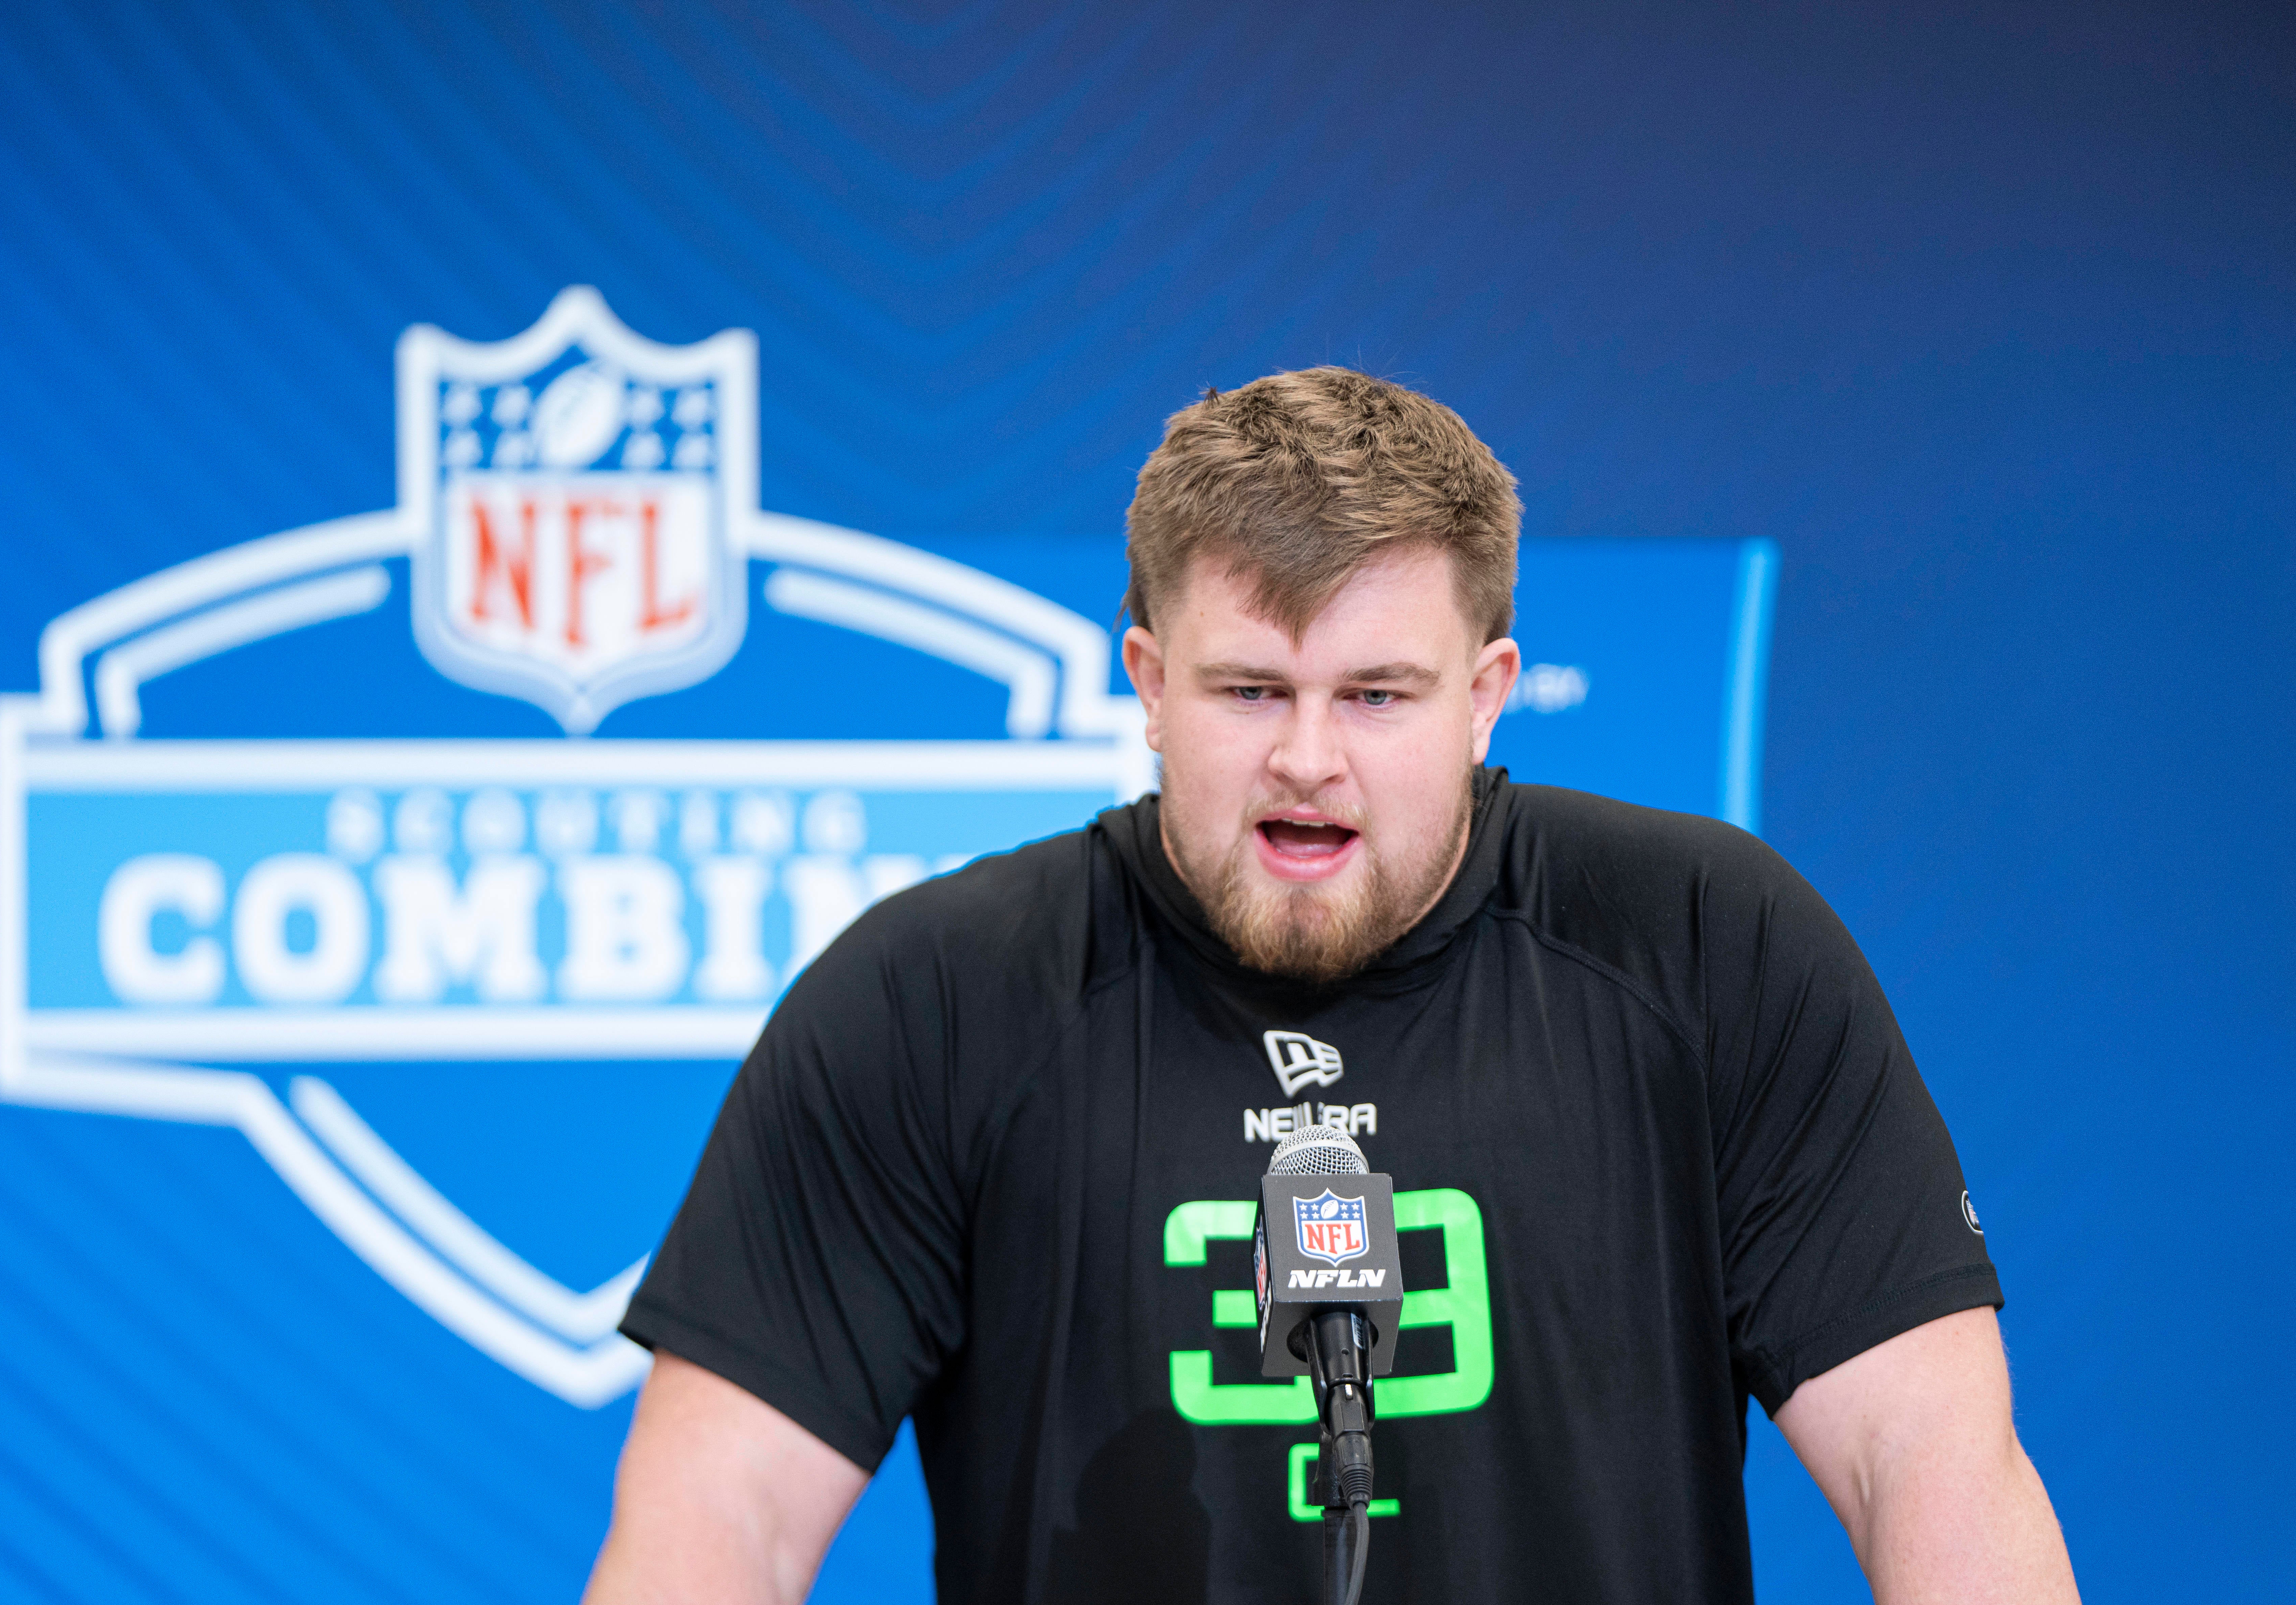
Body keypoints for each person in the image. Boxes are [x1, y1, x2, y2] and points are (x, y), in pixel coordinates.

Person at [585, 369, 2079, 1603]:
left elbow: (1930, 1460)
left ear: (1488, 695)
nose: (1310, 758)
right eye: (1251, 691)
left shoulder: (1704, 944)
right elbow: (720, 1525)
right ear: (1148, 683)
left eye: (1376, 694)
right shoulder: (934, 1000)